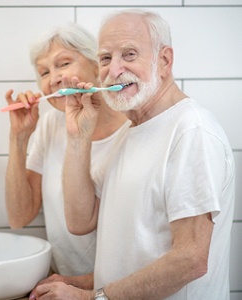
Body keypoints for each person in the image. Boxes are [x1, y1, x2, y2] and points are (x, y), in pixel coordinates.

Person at [30, 9, 235, 300]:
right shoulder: (131, 131)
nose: (114, 70)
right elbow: (79, 220)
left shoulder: (191, 131)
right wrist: (78, 138)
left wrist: (91, 298)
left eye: (129, 55)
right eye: (105, 58)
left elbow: (190, 260)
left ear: (164, 60)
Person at [4, 23, 130, 296]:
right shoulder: (51, 125)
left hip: (117, 290)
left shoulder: (132, 130)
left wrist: (82, 285)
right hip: (64, 287)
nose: (55, 78)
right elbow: (18, 216)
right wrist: (19, 138)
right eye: (44, 72)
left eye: (63, 64)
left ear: (97, 65)